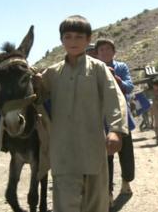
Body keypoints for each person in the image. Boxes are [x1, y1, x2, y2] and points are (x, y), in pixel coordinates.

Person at [34, 15, 128, 212]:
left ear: (88, 40)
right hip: (63, 152)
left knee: (95, 204)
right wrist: (32, 83)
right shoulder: (52, 73)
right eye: (68, 37)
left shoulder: (98, 68)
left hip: (92, 149)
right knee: (65, 205)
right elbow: (36, 97)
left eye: (78, 37)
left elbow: (115, 98)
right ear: (61, 40)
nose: (73, 41)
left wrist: (116, 130)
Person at [95, 38, 135, 207]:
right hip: (101, 120)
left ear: (114, 51)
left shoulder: (122, 67)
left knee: (126, 153)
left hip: (121, 117)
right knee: (106, 157)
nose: (105, 52)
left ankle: (126, 182)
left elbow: (129, 86)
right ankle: (108, 192)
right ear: (97, 54)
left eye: (108, 49)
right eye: (101, 50)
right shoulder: (93, 70)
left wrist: (116, 78)